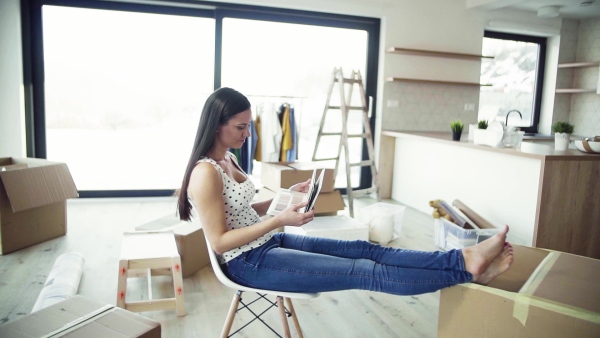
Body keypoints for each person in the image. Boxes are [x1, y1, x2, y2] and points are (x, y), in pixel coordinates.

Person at [177, 87, 514, 296]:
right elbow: (220, 241)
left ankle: (463, 258)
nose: (248, 133)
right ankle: (466, 270)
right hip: (247, 262)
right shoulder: (205, 173)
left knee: (367, 249)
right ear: (217, 124)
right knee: (365, 272)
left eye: (249, 124)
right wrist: (280, 219)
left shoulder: (229, 159)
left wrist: (286, 197)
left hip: (267, 243)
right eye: (241, 126)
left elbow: (243, 213)